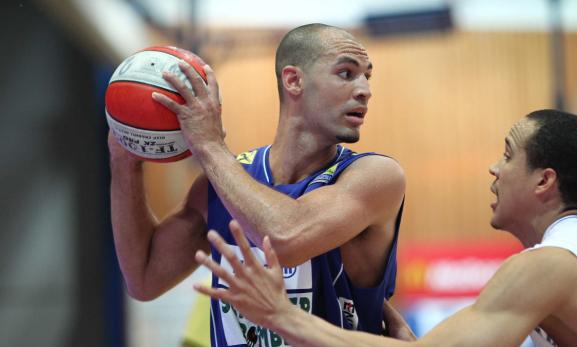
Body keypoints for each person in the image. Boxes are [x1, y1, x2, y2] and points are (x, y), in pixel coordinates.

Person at [194, 109, 577, 347]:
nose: (495, 169)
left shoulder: (547, 266)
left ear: (544, 180)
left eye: (507, 155)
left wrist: (282, 316)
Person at [109, 23, 414, 346]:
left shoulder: (375, 176)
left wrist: (210, 146)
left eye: (368, 76)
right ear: (294, 80)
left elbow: (286, 238)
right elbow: (143, 279)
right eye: (347, 73)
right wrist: (124, 161)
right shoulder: (222, 182)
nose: (365, 89)